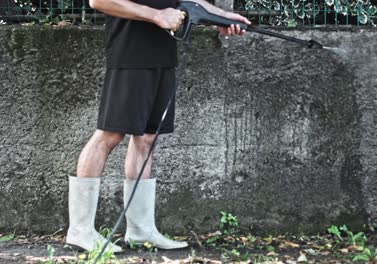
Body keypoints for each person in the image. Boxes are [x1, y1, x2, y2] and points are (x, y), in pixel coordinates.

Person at [65, 0, 250, 253]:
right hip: (129, 54)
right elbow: (99, 1)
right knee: (109, 134)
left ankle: (140, 230)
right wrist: (157, 15)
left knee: (147, 139)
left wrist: (222, 17)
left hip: (163, 54)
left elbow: (187, 1)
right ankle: (80, 231)